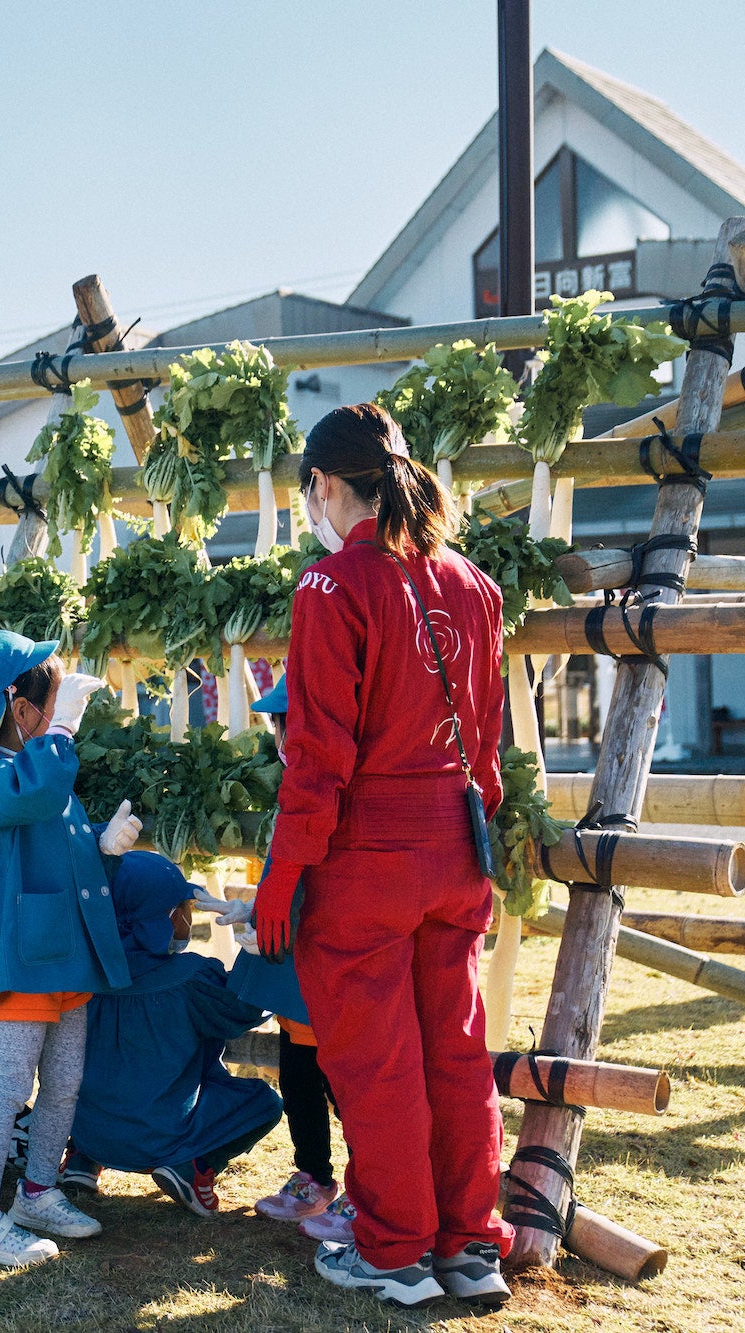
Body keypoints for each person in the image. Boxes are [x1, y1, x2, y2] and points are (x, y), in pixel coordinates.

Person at [260, 403, 512, 1309]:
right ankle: (468, 1245)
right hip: (456, 844)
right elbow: (486, 746)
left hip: (366, 854)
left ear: (325, 484)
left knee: (379, 1062)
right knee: (456, 1051)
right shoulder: (472, 582)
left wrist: (283, 873)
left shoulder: (331, 586)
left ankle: (397, 1250)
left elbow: (317, 756)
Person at [0, 631, 137, 1268]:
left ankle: (38, 1191)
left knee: (65, 1082)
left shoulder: (30, 766)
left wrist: (100, 845)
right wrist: (64, 731)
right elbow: (38, 795)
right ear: (18, 708)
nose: (58, 715)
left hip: (59, 953)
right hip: (22, 959)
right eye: (51, 703)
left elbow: (51, 838)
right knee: (9, 1084)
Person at [67, 852, 283, 1218]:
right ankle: (191, 1166)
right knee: (264, 1103)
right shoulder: (189, 978)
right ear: (170, 917)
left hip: (87, 1127)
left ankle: (81, 1160)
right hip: (161, 1138)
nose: (190, 917)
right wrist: (256, 951)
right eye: (186, 908)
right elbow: (245, 1010)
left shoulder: (84, 974)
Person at [226, 676, 355, 1243]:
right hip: (294, 968)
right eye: (280, 727)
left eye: (289, 725)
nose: (282, 737)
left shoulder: (340, 789)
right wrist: (259, 910)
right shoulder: (294, 786)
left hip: (329, 962)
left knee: (349, 1085)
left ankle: (370, 1185)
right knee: (300, 1077)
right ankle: (314, 1177)